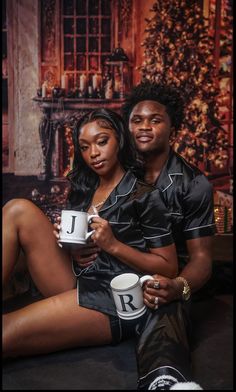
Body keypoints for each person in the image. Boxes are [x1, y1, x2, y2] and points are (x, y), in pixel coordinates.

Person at [2, 108, 178, 360]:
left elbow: (169, 268)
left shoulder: (145, 196)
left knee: (5, 330)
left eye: (102, 141)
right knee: (17, 209)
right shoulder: (84, 190)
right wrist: (68, 247)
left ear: (119, 139)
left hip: (112, 297)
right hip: (79, 281)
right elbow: (79, 252)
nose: (93, 153)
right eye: (84, 147)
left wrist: (113, 245)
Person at [121, 80, 216, 389]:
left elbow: (201, 259)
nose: (144, 126)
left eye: (155, 119)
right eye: (137, 120)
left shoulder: (194, 184)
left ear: (173, 130)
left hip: (169, 275)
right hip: (121, 275)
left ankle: (167, 381)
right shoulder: (117, 174)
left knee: (162, 302)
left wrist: (178, 286)